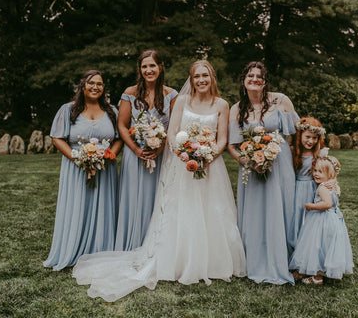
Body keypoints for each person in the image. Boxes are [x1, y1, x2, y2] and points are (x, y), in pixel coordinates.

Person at [72, 60, 246, 302]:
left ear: (212, 77)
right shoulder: (182, 101)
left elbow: (222, 139)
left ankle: (211, 262)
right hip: (183, 164)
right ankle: (179, 260)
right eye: (196, 77)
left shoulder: (222, 104)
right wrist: (186, 153)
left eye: (205, 76)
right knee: (182, 212)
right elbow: (172, 133)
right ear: (192, 79)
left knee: (211, 211)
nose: (201, 80)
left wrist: (207, 156)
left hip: (210, 167)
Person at [227, 61, 298, 284]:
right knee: (255, 212)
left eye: (259, 76)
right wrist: (247, 161)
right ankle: (254, 260)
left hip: (280, 164)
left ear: (265, 81)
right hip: (251, 168)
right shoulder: (236, 109)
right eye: (250, 76)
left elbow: (296, 134)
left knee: (282, 207)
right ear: (243, 80)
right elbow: (232, 144)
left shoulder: (282, 101)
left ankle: (285, 259)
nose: (255, 79)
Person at [44, 70, 122, 271]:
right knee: (77, 207)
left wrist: (108, 156)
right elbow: (57, 138)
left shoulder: (112, 111)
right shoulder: (68, 110)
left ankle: (102, 250)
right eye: (91, 83)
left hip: (106, 170)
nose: (96, 87)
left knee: (104, 207)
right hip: (76, 169)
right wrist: (78, 158)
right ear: (83, 86)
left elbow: (119, 138)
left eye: (100, 84)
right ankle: (73, 251)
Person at [115, 50, 177, 251]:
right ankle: (132, 245)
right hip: (135, 156)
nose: (149, 70)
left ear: (161, 67)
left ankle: (157, 248)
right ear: (140, 69)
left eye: (152, 65)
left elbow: (175, 127)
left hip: (162, 156)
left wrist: (160, 147)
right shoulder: (130, 93)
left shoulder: (171, 95)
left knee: (159, 198)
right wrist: (134, 149)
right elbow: (122, 125)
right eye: (144, 66)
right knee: (134, 200)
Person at [289, 155, 354, 285]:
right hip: (334, 220)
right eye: (315, 170)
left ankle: (317, 277)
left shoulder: (322, 188)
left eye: (320, 172)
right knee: (326, 247)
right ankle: (325, 271)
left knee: (316, 246)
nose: (316, 174)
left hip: (321, 220)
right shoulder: (333, 186)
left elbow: (327, 204)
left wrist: (311, 206)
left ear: (330, 174)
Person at [291, 116, 326, 249]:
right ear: (300, 135)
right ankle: (294, 246)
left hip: (313, 189)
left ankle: (309, 247)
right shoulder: (293, 152)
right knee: (296, 217)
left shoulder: (320, 154)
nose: (311, 141)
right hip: (296, 188)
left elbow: (331, 169)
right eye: (307, 137)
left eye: (314, 138)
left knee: (311, 218)